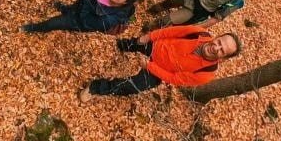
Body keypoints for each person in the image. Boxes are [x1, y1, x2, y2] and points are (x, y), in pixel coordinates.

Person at [79, 25, 242, 100]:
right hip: (157, 46)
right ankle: (120, 45)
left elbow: (175, 78)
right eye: (219, 42)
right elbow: (172, 31)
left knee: (131, 87)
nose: (216, 47)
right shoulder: (200, 33)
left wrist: (150, 66)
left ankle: (96, 88)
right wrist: (149, 37)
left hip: (160, 71)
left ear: (223, 58)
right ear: (217, 37)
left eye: (222, 50)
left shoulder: (206, 74)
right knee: (133, 43)